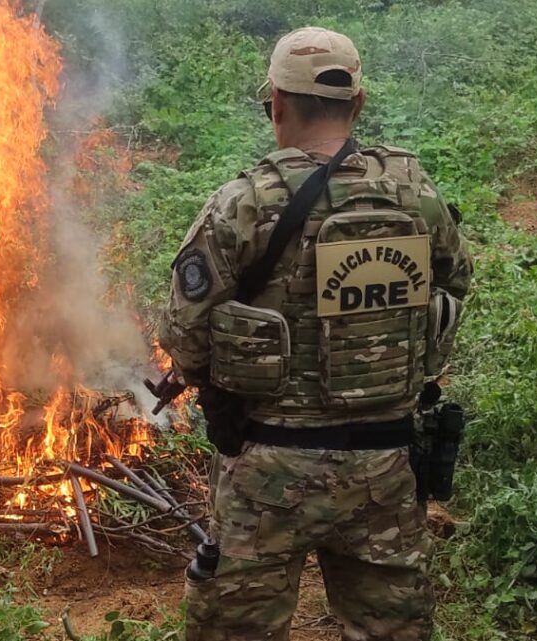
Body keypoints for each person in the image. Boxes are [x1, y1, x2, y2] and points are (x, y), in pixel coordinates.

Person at [158, 26, 472, 641]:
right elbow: (454, 285)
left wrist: (225, 381)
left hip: (267, 472)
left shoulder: (241, 204)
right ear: (356, 104)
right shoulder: (415, 194)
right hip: (385, 466)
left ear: (275, 103)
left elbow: (183, 333)